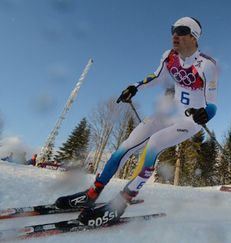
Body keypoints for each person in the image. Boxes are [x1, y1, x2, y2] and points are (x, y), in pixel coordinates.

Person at [55, 17, 218, 226]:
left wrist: (206, 114)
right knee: (125, 147)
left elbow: (212, 103)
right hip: (169, 113)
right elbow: (156, 77)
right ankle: (92, 193)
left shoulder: (207, 65)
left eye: (182, 30)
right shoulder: (169, 56)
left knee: (154, 144)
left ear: (194, 36)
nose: (174, 34)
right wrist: (135, 87)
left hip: (190, 121)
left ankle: (121, 204)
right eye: (172, 29)